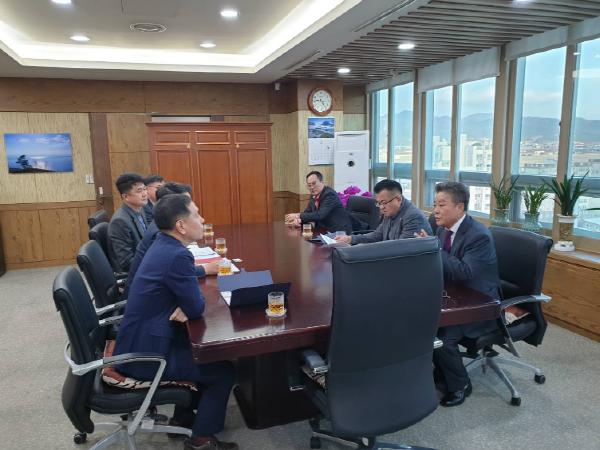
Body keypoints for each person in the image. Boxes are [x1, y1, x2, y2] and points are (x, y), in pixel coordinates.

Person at [113, 194, 238, 450]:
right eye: (197, 214)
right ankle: (201, 440)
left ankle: (183, 417)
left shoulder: (164, 244)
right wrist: (187, 303)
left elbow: (185, 294)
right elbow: (196, 307)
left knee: (203, 354)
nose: (202, 219)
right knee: (223, 371)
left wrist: (186, 299)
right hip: (146, 356)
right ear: (181, 225)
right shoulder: (177, 255)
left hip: (136, 339)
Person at [417, 181, 501, 407]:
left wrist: (433, 246)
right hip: (453, 294)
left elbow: (465, 272)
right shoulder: (442, 228)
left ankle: (460, 384)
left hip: (478, 304)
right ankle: (442, 372)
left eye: (441, 205)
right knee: (420, 324)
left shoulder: (478, 236)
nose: (435, 210)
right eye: (435, 204)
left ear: (460, 207)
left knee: (442, 338)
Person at [126, 182, 219, 292]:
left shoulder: (162, 227)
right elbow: (173, 270)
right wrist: (204, 269)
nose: (189, 205)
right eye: (184, 202)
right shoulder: (159, 233)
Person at [335, 179, 431, 245]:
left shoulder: (413, 217)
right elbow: (378, 235)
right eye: (379, 203)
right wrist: (350, 239)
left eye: (384, 202)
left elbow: (401, 249)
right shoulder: (390, 211)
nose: (381, 207)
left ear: (398, 199)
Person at [285, 171, 353, 234]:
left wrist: (297, 215)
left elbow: (320, 215)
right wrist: (299, 220)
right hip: (322, 231)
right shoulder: (314, 195)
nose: (312, 187)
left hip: (338, 232)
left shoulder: (330, 194)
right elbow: (308, 213)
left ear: (322, 182)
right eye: (309, 185)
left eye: (314, 183)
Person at [108, 173, 148, 272]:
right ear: (126, 197)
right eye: (139, 191)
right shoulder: (120, 221)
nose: (144, 194)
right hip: (137, 272)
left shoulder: (140, 210)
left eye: (144, 189)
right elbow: (127, 262)